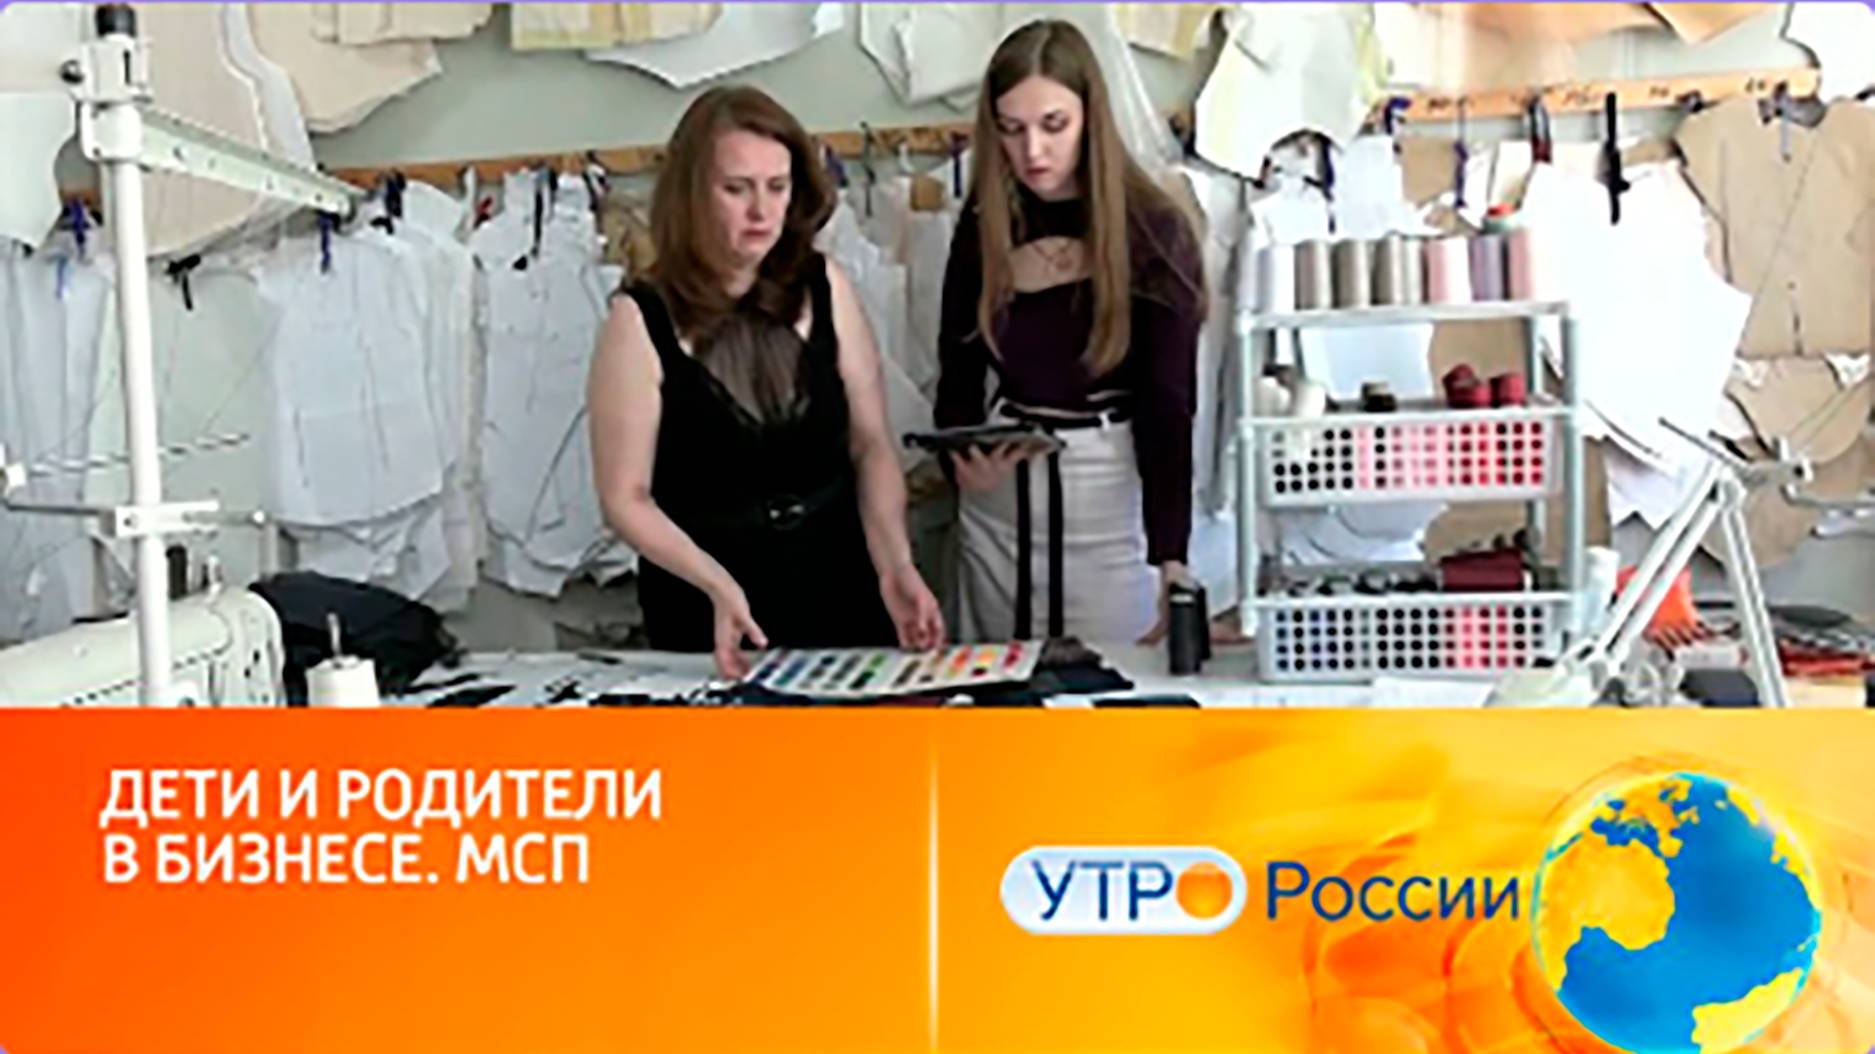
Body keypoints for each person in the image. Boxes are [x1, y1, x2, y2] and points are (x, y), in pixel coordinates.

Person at [589, 85, 944, 677]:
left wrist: (896, 564)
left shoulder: (826, 285)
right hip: (707, 604)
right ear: (692, 195)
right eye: (737, 189)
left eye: (777, 187)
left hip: (842, 585)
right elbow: (624, 499)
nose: (761, 212)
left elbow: (871, 444)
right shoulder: (638, 319)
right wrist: (714, 583)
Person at [936, 20, 1205, 644]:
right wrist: (960, 459)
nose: (1033, 151)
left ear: (1090, 117)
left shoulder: (1153, 231)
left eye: (1053, 125)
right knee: (995, 685)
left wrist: (1171, 556)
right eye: (1011, 129)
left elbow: (1168, 403)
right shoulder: (984, 224)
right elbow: (958, 367)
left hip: (1107, 499)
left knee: (1109, 685)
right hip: (1003, 505)